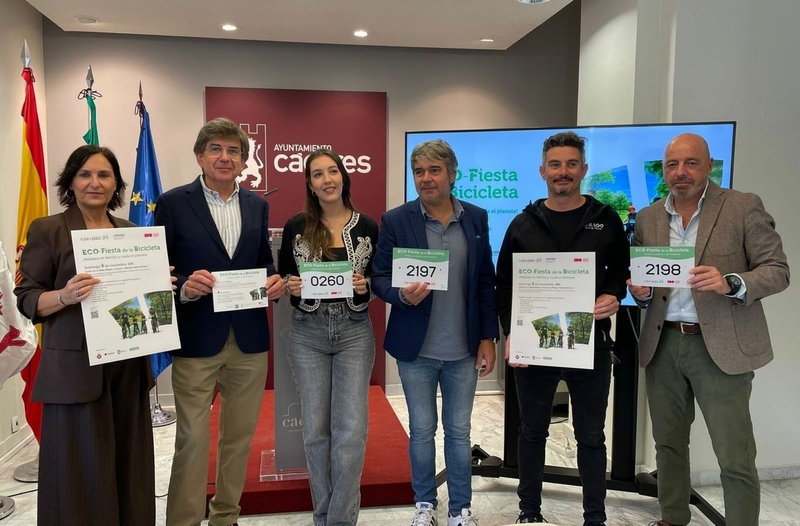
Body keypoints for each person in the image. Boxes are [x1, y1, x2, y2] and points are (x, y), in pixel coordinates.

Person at [627, 133, 789, 526]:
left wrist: (731, 282)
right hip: (663, 344)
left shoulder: (742, 206)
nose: (680, 172)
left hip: (720, 348)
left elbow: (778, 271)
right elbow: (647, 285)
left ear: (709, 165)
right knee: (667, 444)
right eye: (672, 165)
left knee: (734, 454)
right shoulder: (649, 217)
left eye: (691, 163)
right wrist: (641, 292)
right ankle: (673, 517)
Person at [15, 145, 156, 526]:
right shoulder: (49, 229)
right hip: (76, 371)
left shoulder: (130, 231)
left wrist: (158, 284)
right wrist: (63, 295)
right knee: (80, 472)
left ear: (116, 185)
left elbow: (138, 299)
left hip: (127, 365)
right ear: (71, 182)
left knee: (131, 464)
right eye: (85, 174)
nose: (95, 182)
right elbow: (26, 298)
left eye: (104, 175)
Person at [155, 117, 286, 526]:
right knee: (192, 440)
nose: (225, 157)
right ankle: (184, 521)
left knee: (239, 438)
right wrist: (183, 290)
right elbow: (159, 271)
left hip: (248, 339)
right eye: (216, 149)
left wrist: (272, 280)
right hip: (196, 337)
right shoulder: (173, 203)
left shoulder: (257, 205)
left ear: (244, 161)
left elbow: (261, 262)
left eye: (233, 151)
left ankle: (225, 517)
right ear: (200, 156)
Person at [495, 131, 629, 526]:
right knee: (532, 432)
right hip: (536, 344)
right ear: (542, 171)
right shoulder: (522, 223)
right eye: (555, 165)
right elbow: (505, 285)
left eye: (572, 164)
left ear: (583, 169)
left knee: (590, 436)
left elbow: (619, 274)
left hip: (591, 344)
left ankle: (595, 518)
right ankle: (529, 513)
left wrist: (613, 296)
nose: (563, 172)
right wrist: (510, 334)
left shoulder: (606, 220)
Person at [372, 139, 499, 526]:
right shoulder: (396, 220)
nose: (426, 179)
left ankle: (461, 509)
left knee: (459, 432)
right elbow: (379, 278)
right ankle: (425, 504)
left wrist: (488, 337)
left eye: (434, 170)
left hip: (463, 347)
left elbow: (485, 283)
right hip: (416, 349)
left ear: (452, 174)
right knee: (422, 430)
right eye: (419, 172)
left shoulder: (475, 218)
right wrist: (401, 296)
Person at [279, 149, 379, 526]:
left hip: (354, 333)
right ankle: (322, 515)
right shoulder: (296, 226)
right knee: (316, 434)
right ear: (310, 184)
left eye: (332, 171)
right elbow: (286, 278)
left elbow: (377, 281)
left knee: (350, 432)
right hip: (308, 333)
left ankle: (339, 521)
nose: (326, 179)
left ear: (343, 176)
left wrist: (363, 285)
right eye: (317, 174)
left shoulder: (367, 225)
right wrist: (291, 284)